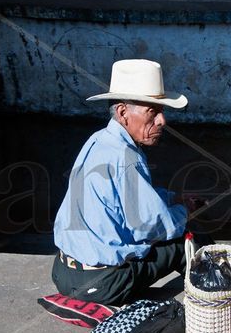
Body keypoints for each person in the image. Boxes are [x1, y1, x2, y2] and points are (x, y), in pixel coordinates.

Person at [52, 59, 205, 307]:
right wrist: (185, 211)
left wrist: (173, 199)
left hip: (63, 273)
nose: (162, 121)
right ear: (123, 112)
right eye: (153, 112)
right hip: (99, 284)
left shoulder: (99, 140)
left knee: (171, 225)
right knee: (185, 242)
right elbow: (150, 226)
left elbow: (125, 199)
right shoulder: (127, 158)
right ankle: (214, 297)